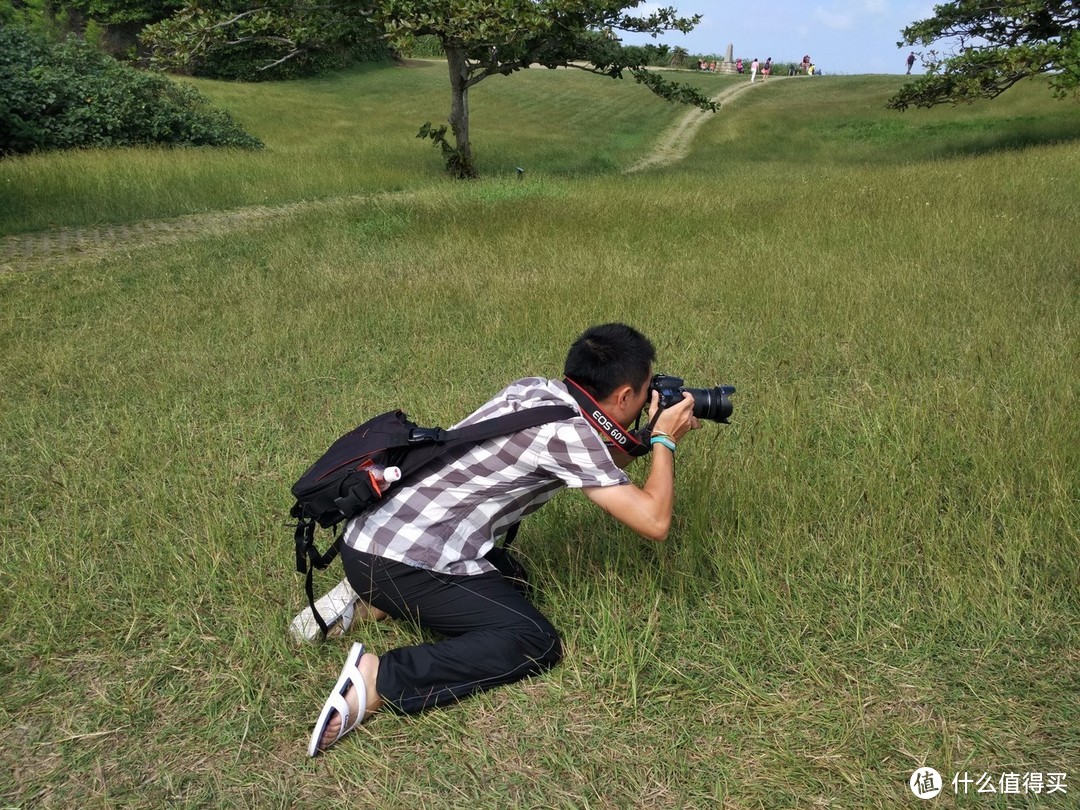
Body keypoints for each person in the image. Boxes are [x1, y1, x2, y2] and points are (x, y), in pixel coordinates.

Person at [305, 323, 701, 756]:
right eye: (645, 394)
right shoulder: (571, 433)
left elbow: (598, 459)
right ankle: (377, 678)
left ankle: (369, 600)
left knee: (514, 581)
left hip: (372, 534)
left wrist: (643, 437)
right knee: (533, 639)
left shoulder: (536, 392)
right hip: (398, 559)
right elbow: (654, 522)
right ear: (624, 396)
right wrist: (663, 438)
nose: (648, 403)